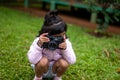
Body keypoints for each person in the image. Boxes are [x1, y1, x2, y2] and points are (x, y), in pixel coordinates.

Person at [27, 10, 76, 80]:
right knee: (43, 61)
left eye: (60, 36)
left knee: (64, 63)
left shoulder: (65, 42)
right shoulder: (39, 41)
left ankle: (57, 77)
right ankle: (38, 78)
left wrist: (65, 49)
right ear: (45, 34)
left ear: (64, 33)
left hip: (55, 69)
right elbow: (32, 60)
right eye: (53, 37)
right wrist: (39, 45)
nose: (56, 40)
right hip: (41, 68)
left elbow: (72, 61)